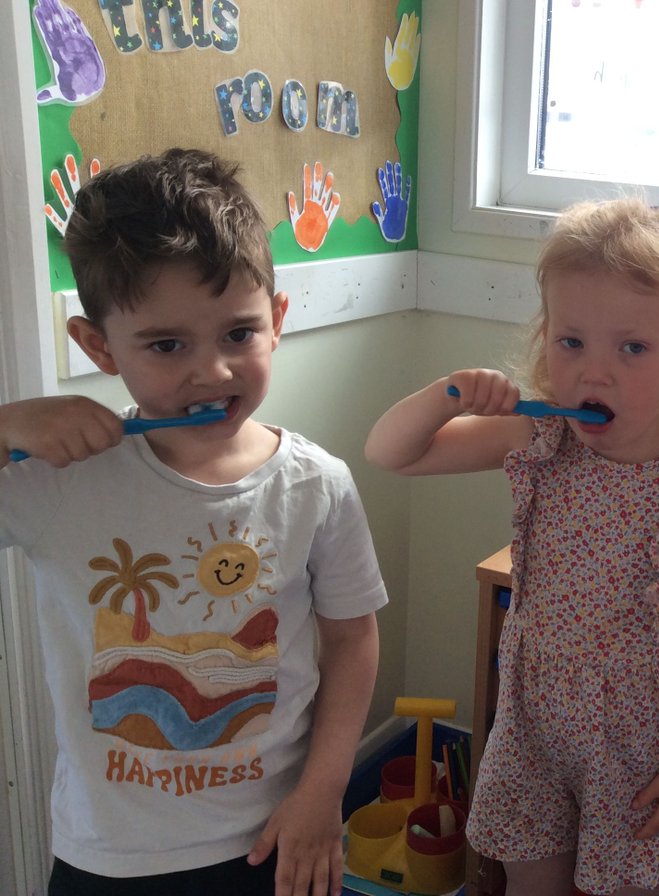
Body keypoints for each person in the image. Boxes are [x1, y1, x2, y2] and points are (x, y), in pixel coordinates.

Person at [0, 148, 387, 896]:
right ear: (98, 346)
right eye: (167, 345)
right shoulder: (57, 478)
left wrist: (323, 792)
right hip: (109, 860)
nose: (212, 371)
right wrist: (5, 425)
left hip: (276, 843)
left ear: (277, 320)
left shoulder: (316, 485)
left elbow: (352, 641)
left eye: (238, 334)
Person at [365, 198, 659, 896]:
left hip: (641, 739)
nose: (593, 373)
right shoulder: (538, 437)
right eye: (571, 342)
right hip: (532, 723)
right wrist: (449, 394)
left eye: (632, 348)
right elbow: (392, 453)